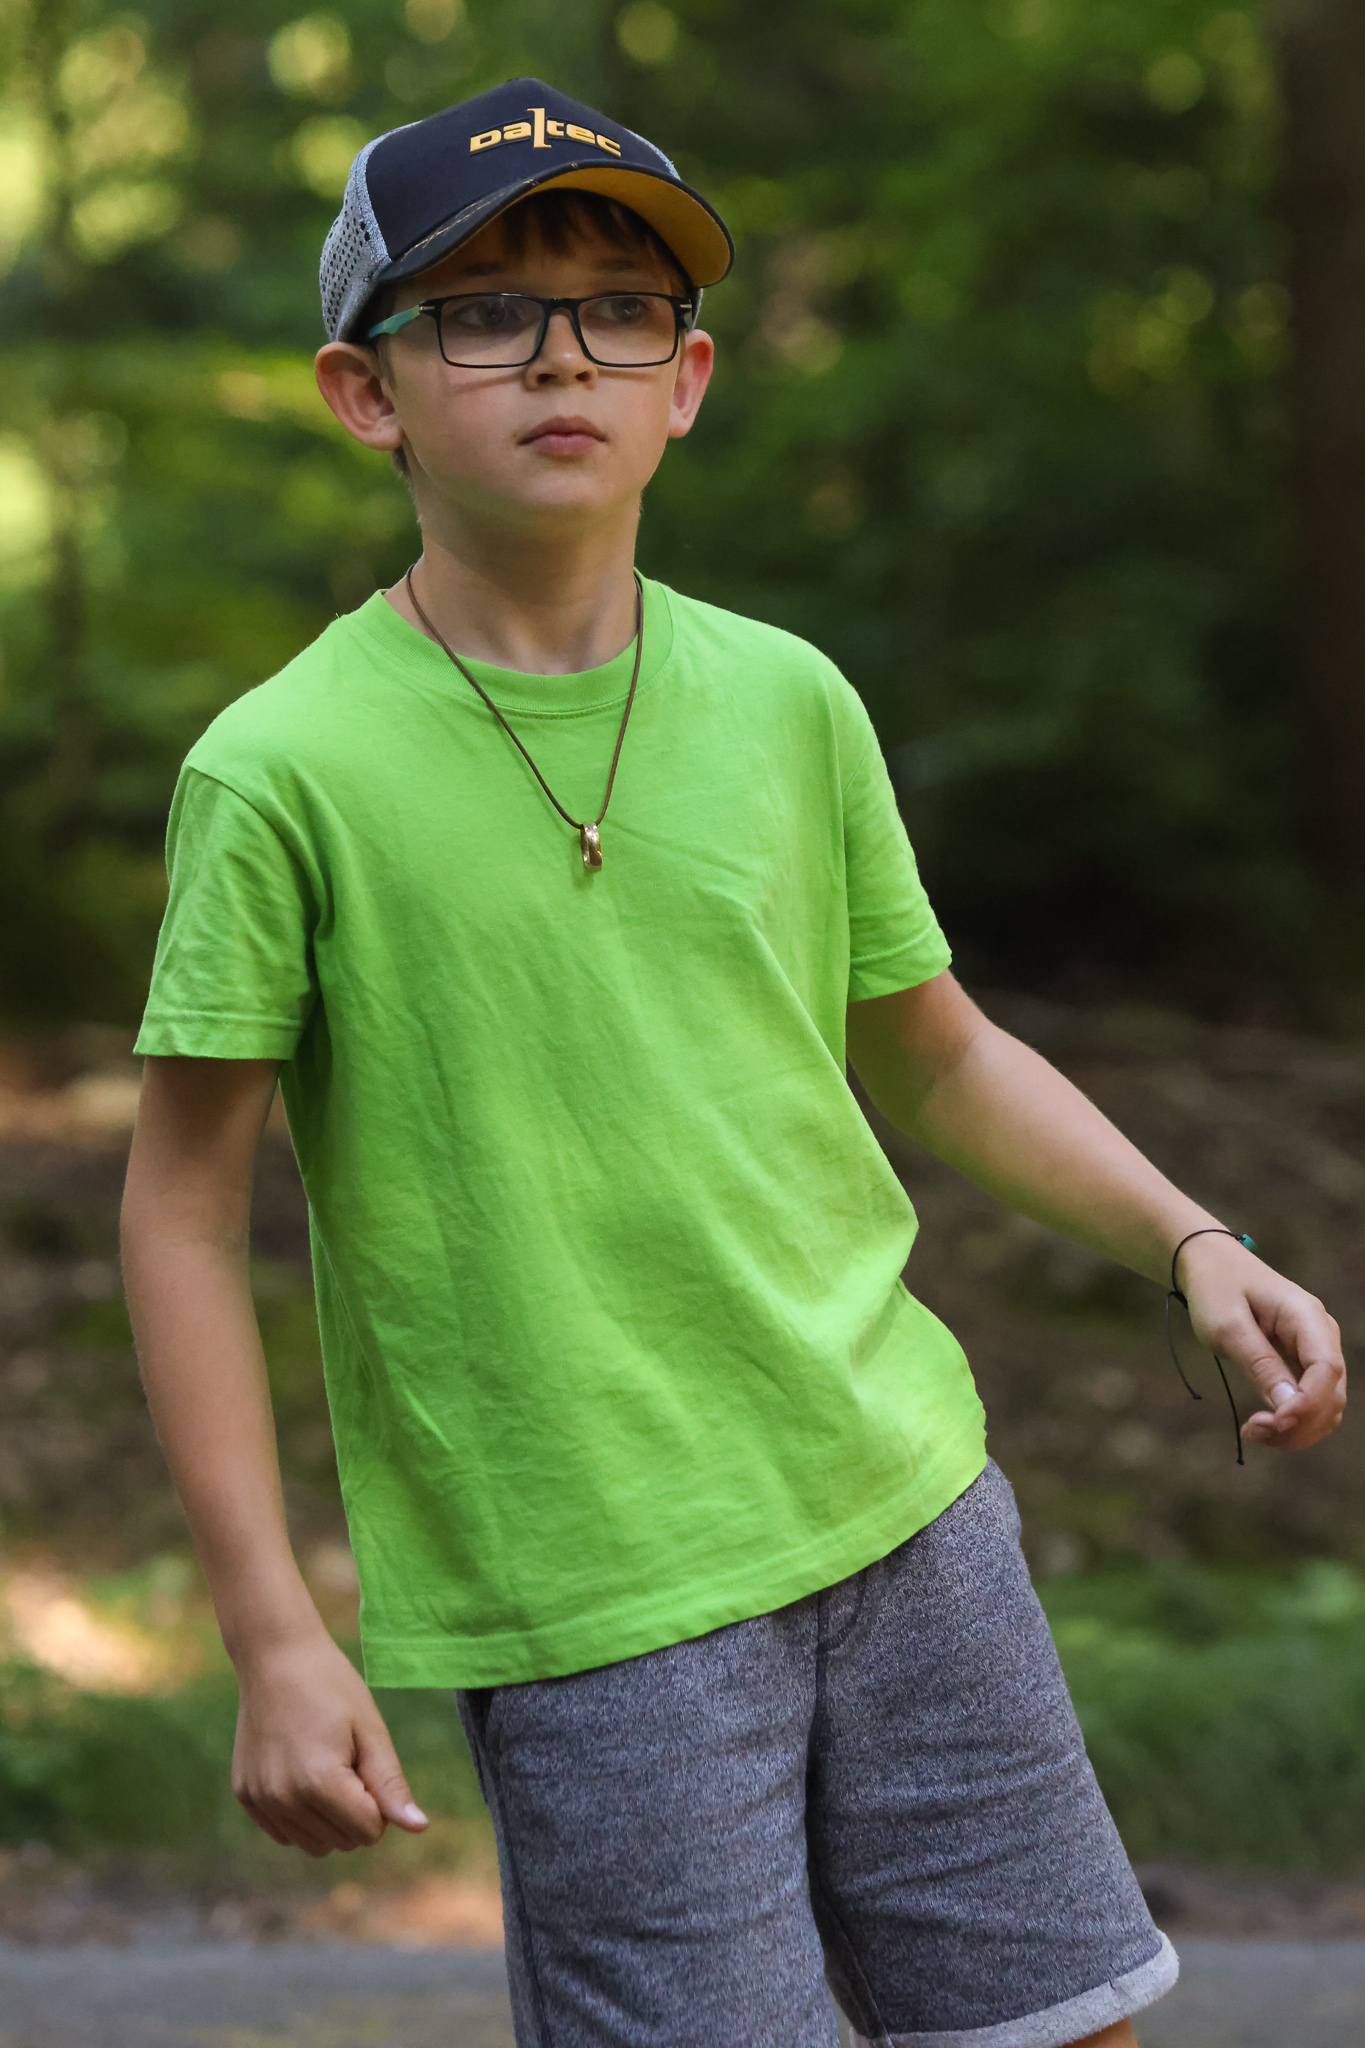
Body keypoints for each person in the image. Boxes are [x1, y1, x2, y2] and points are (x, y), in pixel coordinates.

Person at [120, 76, 1345, 2048]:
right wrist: (274, 1632)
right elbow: (180, 1212)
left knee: (1067, 2025)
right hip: (595, 1594)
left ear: (685, 379)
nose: (559, 357)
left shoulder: (787, 700)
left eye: (616, 310)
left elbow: (935, 1052)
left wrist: (1188, 1238)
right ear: (367, 392)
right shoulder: (282, 771)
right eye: (483, 313)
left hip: (906, 1502)